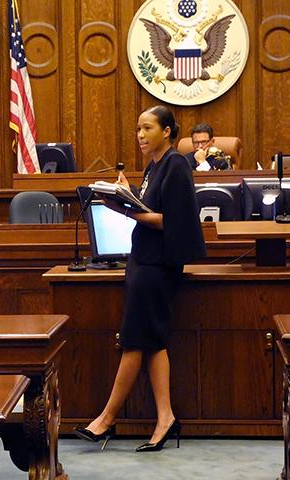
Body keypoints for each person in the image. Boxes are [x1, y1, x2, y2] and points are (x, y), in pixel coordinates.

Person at [75, 106, 206, 452]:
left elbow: (171, 221)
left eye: (147, 128)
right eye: (137, 129)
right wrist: (128, 196)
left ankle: (106, 419)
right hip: (143, 261)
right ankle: (165, 418)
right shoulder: (154, 167)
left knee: (134, 340)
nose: (141, 135)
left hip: (157, 266)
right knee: (153, 341)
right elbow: (148, 209)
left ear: (167, 131)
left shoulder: (176, 165)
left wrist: (127, 209)